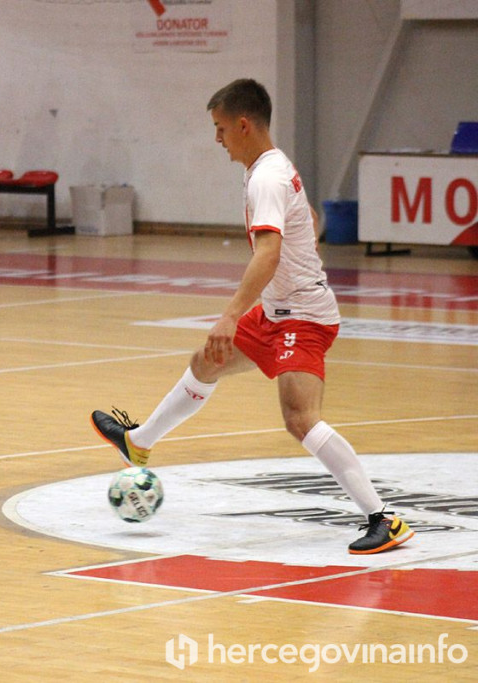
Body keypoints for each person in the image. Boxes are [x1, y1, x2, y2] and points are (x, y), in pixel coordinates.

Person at [91, 78, 413, 556]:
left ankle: (383, 518)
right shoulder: (271, 167)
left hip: (302, 317)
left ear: (244, 125)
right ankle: (139, 443)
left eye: (220, 128)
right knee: (206, 362)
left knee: (300, 418)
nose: (217, 139)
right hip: (280, 311)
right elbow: (306, 221)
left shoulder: (266, 178)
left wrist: (230, 315)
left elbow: (268, 253)